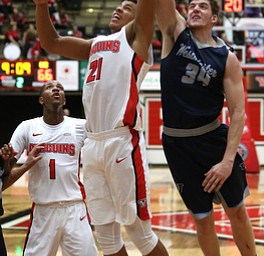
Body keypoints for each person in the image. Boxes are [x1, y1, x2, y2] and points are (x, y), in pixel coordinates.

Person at [33, 1, 169, 256]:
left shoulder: (137, 39)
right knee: (106, 239)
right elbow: (52, 43)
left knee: (141, 234)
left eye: (127, 7)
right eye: (118, 5)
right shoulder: (95, 44)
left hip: (121, 142)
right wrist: (41, 6)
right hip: (92, 145)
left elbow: (147, 9)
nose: (118, 9)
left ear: (138, 14)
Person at [155, 0, 257, 255]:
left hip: (212, 140)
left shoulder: (227, 57)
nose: (195, 9)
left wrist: (227, 161)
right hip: (177, 144)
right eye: (191, 5)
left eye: (203, 6)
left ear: (214, 18)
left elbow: (238, 112)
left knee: (237, 211)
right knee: (202, 220)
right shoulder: (174, 31)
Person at [2, 80, 98, 256]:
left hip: (74, 209)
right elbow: (6, 171)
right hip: (43, 210)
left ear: (64, 100)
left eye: (60, 88)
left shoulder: (80, 126)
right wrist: (6, 159)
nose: (56, 89)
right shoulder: (27, 127)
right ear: (41, 100)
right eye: (49, 87)